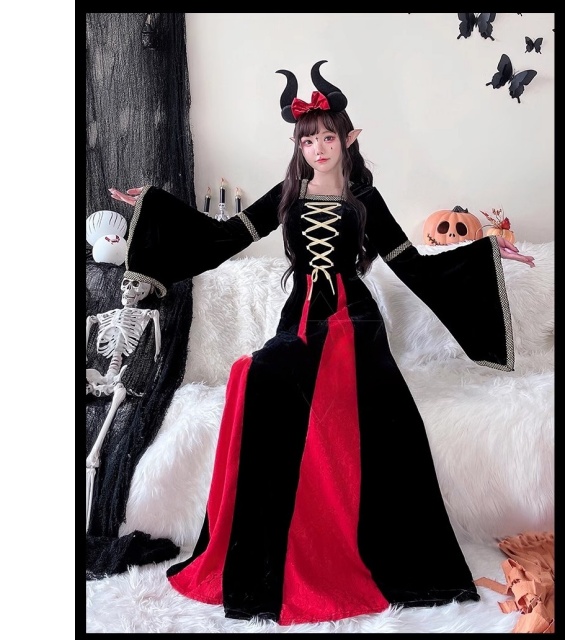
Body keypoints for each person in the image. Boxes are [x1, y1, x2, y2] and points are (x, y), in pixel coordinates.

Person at [109, 60, 535, 626]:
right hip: (300, 317)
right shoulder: (287, 194)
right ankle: (266, 547)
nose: (318, 148)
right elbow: (222, 237)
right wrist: (154, 208)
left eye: (327, 137)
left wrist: (487, 252)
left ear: (347, 139)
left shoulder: (364, 198)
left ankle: (371, 551)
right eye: (308, 140)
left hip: (354, 316)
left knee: (365, 402)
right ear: (300, 146)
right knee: (257, 376)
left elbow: (412, 265)